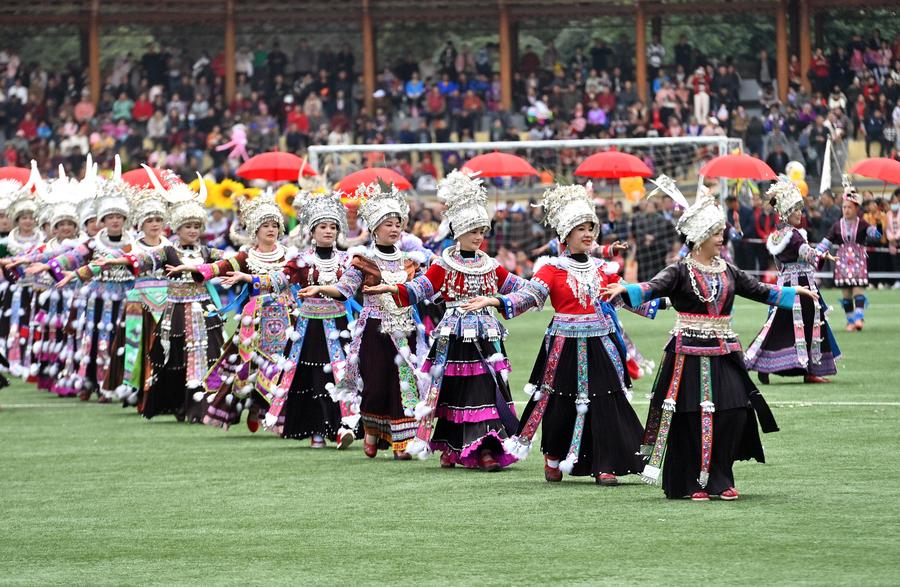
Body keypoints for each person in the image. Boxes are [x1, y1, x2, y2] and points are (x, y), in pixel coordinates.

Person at [601, 182, 818, 501]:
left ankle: (720, 477)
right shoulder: (679, 271)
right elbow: (653, 286)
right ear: (700, 237)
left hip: (724, 351)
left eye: (721, 232)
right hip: (686, 353)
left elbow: (758, 289)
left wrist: (792, 292)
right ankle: (691, 482)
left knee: (734, 411)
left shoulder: (728, 270)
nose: (722, 237)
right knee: (689, 416)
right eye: (716, 232)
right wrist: (627, 290)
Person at [464, 183, 653, 486]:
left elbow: (624, 296)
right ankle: (553, 457)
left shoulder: (603, 268)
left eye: (591, 227)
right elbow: (529, 296)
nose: (589, 234)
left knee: (607, 401)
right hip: (562, 346)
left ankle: (607, 463)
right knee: (558, 402)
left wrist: (668, 298)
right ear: (566, 234)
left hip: (600, 344)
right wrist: (495, 300)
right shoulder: (551, 269)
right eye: (581, 228)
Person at [364, 170, 525, 471]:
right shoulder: (443, 265)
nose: (479, 237)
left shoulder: (492, 265)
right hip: (453, 337)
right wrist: (391, 287)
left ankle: (487, 447)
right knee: (453, 391)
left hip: (487, 336)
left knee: (486, 387)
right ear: (458, 231)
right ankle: (452, 446)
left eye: (482, 230)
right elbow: (418, 289)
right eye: (473, 230)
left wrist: (499, 301)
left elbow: (526, 290)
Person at [297, 181, 427, 460]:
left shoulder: (410, 261)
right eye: (388, 224)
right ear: (374, 228)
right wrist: (320, 289)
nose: (394, 229)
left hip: (404, 331)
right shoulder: (362, 261)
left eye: (398, 224)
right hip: (374, 330)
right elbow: (344, 290)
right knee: (376, 384)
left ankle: (401, 443)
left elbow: (422, 291)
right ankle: (371, 431)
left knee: (404, 385)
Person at [175, 191, 295, 431]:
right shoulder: (246, 256)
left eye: (274, 225)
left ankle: (278, 416)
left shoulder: (288, 255)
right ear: (255, 231)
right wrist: (196, 269)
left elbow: (291, 276)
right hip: (255, 319)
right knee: (249, 366)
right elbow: (221, 266)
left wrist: (249, 278)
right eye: (265, 226)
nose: (270, 229)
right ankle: (253, 405)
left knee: (284, 366)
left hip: (286, 316)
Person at [26, 156, 135, 400]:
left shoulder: (134, 243)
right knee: (94, 340)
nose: (115, 221)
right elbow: (71, 257)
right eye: (110, 217)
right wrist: (47, 266)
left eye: (119, 217)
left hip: (128, 297)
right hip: (97, 296)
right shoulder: (92, 242)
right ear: (102, 221)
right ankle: (89, 382)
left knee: (121, 341)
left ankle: (113, 385)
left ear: (125, 220)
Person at [265, 191, 357, 449]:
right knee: (312, 375)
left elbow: (355, 286)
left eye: (332, 227)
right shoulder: (301, 260)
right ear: (312, 231)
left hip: (338, 326)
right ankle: (317, 429)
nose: (328, 231)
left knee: (343, 373)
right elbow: (279, 279)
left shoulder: (347, 260)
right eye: (323, 227)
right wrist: (247, 279)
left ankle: (344, 426)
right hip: (308, 329)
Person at [744, 178, 841, 384]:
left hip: (785, 285)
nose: (801, 213)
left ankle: (764, 364)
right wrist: (822, 256)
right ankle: (809, 370)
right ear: (787, 212)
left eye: (801, 209)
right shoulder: (795, 235)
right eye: (797, 210)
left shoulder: (780, 234)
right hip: (801, 285)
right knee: (807, 324)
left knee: (779, 325)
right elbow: (808, 254)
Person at [817, 177, 881, 331]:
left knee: (858, 289)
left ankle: (859, 319)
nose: (846, 210)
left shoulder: (864, 224)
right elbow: (826, 242)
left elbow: (877, 236)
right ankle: (850, 321)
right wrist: (815, 252)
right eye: (844, 207)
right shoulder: (836, 226)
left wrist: (878, 223)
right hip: (842, 260)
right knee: (846, 293)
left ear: (856, 209)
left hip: (858, 259)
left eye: (849, 207)